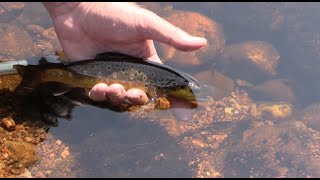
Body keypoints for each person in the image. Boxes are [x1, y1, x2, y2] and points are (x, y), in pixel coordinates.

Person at [43, 2, 207, 105]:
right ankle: (40, 76)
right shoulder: (167, 82)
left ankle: (41, 75)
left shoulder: (168, 80)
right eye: (189, 91)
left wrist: (81, 6)